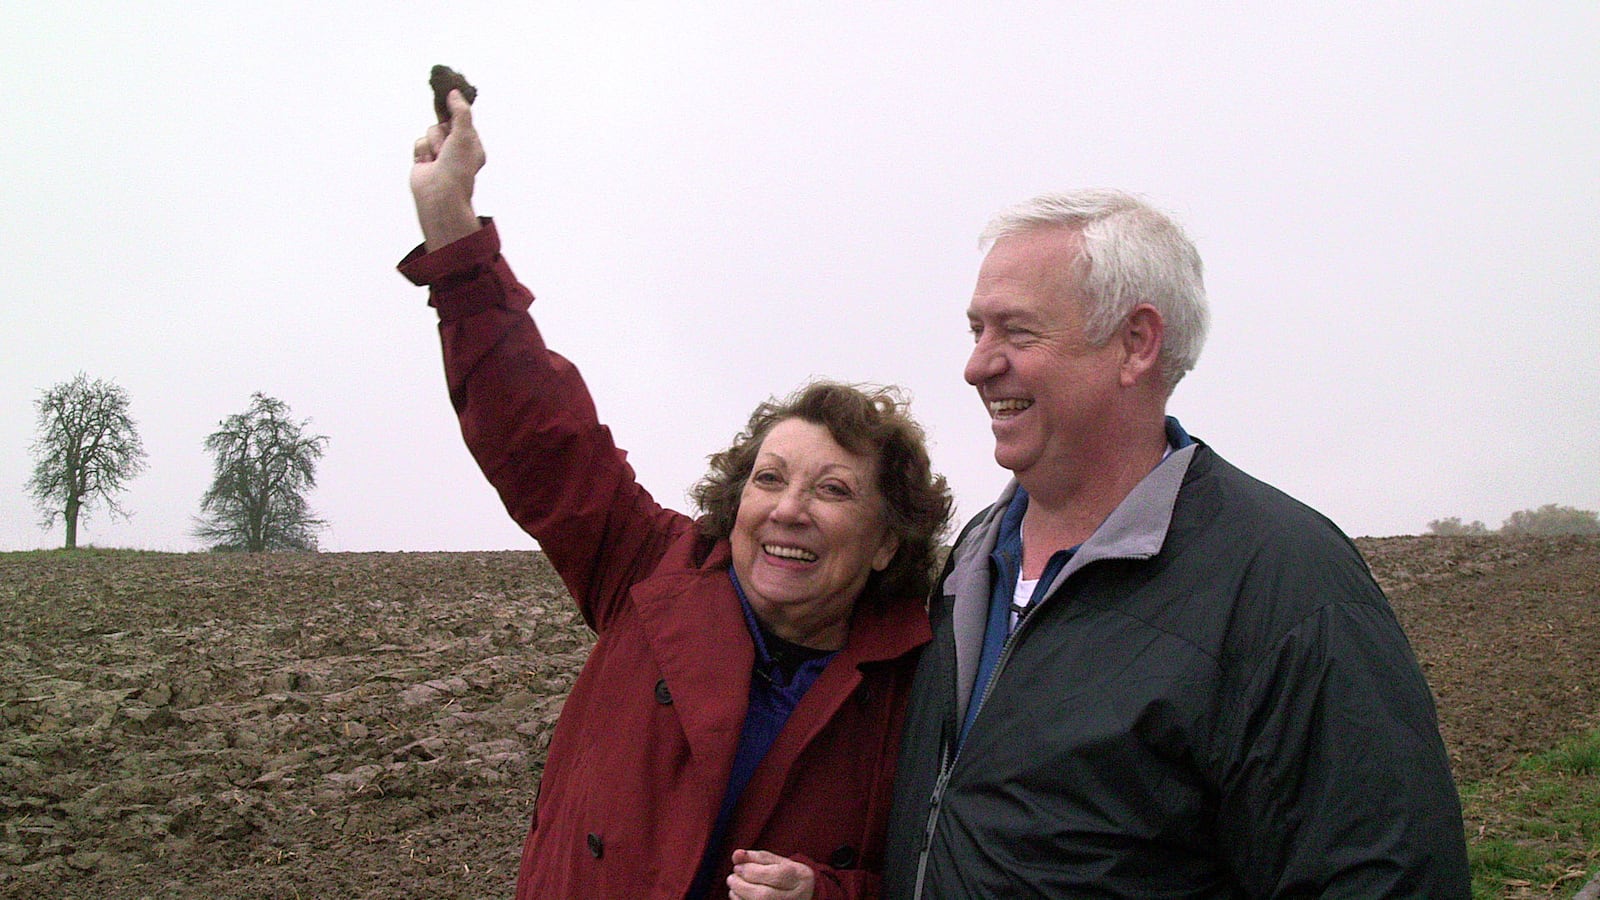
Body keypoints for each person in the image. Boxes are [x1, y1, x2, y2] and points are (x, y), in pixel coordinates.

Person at [400, 88, 952, 900]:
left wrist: (833, 897)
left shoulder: (924, 681)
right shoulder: (647, 571)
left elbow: (941, 874)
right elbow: (537, 429)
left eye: (832, 489)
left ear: (886, 540)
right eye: (769, 478)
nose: (789, 508)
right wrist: (451, 223)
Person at [881, 190, 1472, 897]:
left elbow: (1379, 874)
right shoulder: (971, 560)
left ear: (1136, 344)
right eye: (977, 330)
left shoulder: (1286, 578)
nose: (977, 366)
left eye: (1016, 332)